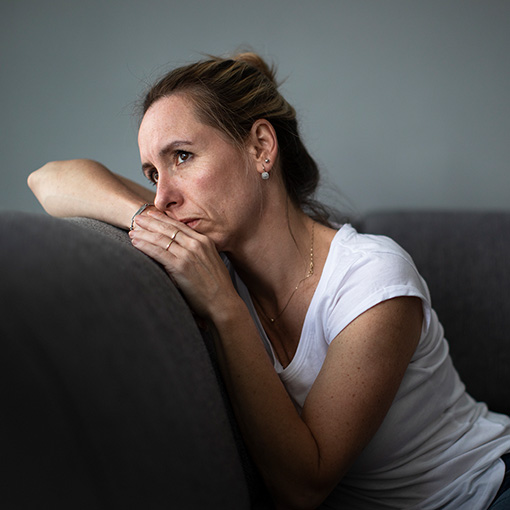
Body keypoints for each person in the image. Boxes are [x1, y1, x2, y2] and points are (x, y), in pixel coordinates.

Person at [28, 52, 510, 510]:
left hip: (486, 492)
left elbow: (303, 488)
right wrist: (144, 221)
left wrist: (225, 308)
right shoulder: (196, 228)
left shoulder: (371, 277)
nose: (162, 198)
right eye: (152, 173)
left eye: (182, 156)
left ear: (260, 147)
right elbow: (48, 179)